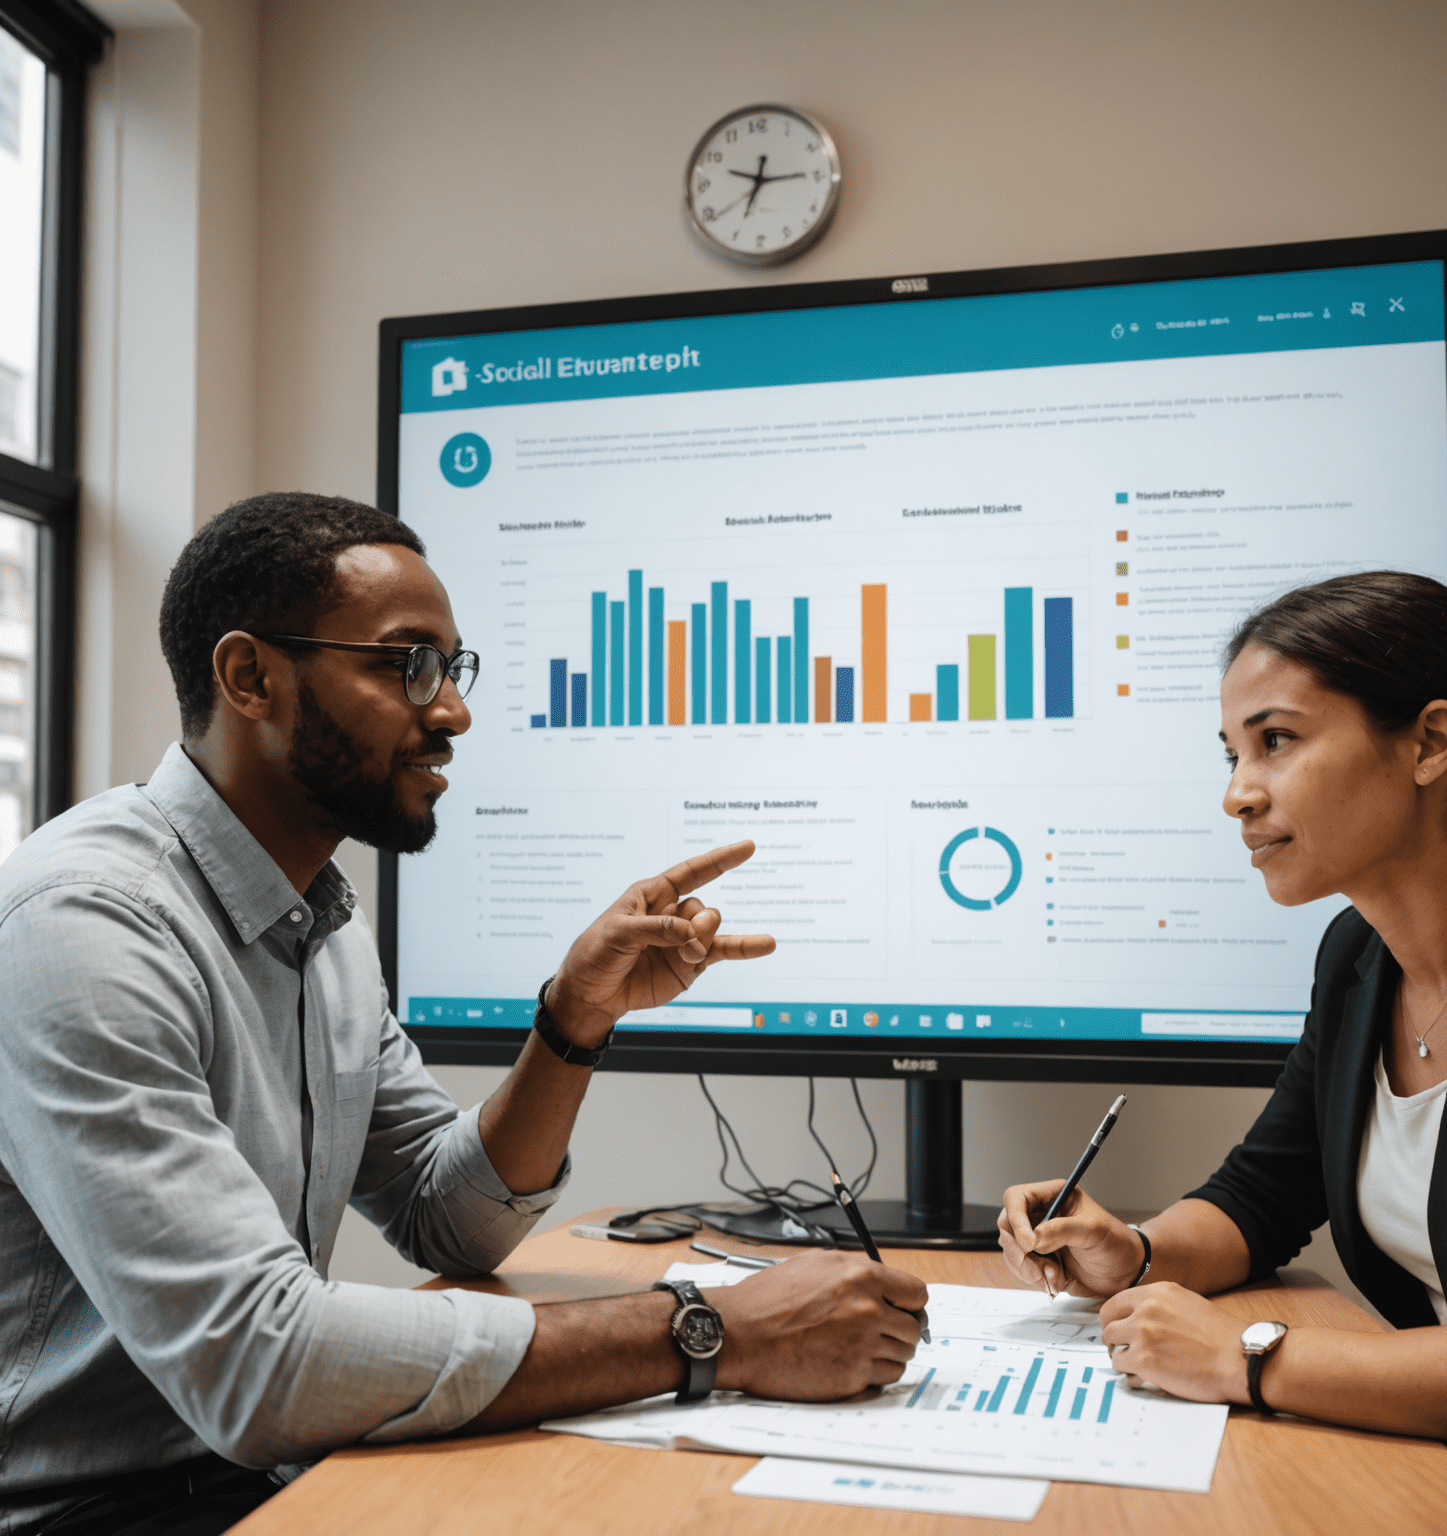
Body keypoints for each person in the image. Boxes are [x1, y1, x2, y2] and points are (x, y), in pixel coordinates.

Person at [0, 493, 927, 1536]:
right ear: (250, 677)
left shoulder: (323, 926)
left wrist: (571, 1021)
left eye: (452, 669)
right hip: (87, 1510)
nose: (451, 713)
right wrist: (711, 1330)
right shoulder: (84, 924)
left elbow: (453, 1219)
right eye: (407, 666)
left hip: (257, 1476)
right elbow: (256, 1363)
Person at [998, 571, 1447, 1521]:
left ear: (1430, 742)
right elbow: (1265, 1194)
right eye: (1232, 753)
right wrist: (1134, 1250)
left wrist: (1251, 1358)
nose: (1238, 796)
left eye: (1277, 742)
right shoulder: (1361, 956)